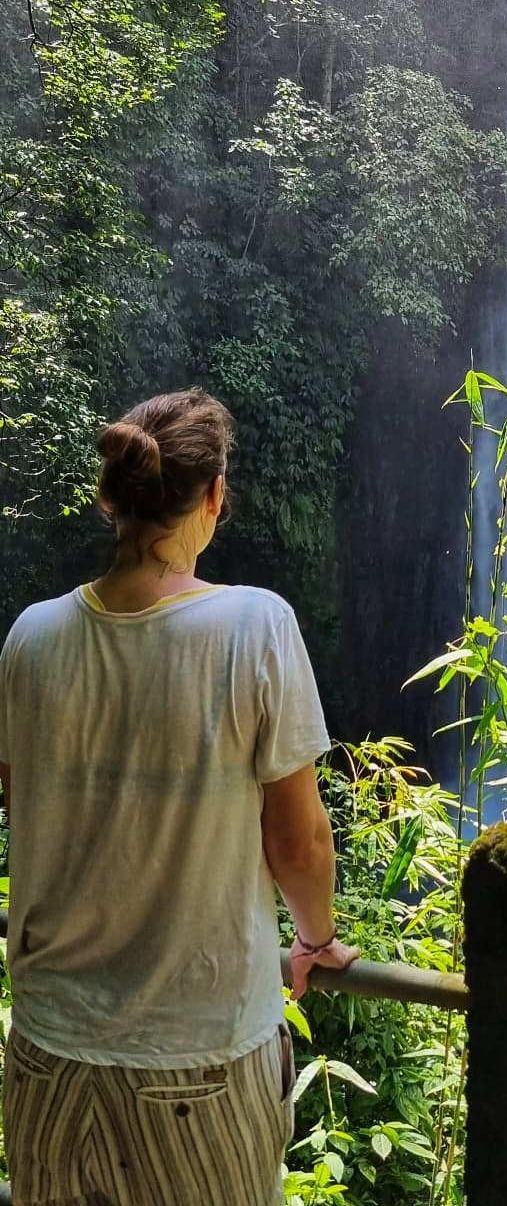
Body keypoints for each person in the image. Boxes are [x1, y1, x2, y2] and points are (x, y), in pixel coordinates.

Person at [0, 387, 359, 1206]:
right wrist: (317, 940)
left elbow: (30, 819)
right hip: (198, 1066)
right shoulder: (255, 627)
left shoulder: (31, 638)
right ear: (213, 499)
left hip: (50, 1057)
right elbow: (299, 845)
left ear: (111, 502)